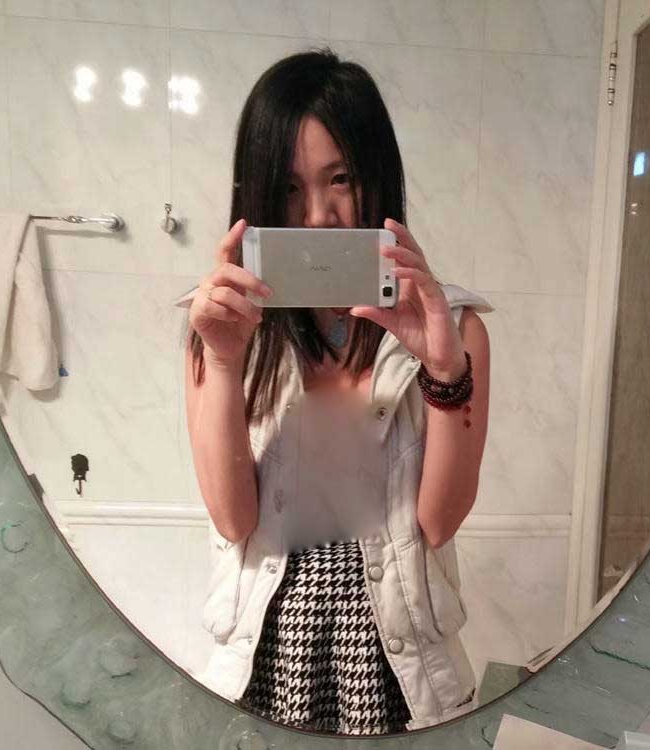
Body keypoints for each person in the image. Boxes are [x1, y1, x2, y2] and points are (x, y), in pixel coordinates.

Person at [177, 48, 493, 735]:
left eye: (340, 179)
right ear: (257, 195)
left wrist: (444, 371)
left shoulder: (454, 328)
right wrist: (225, 363)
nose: (318, 216)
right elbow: (233, 519)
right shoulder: (221, 327)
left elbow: (438, 524)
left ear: (377, 177)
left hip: (399, 673)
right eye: (289, 189)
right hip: (268, 664)